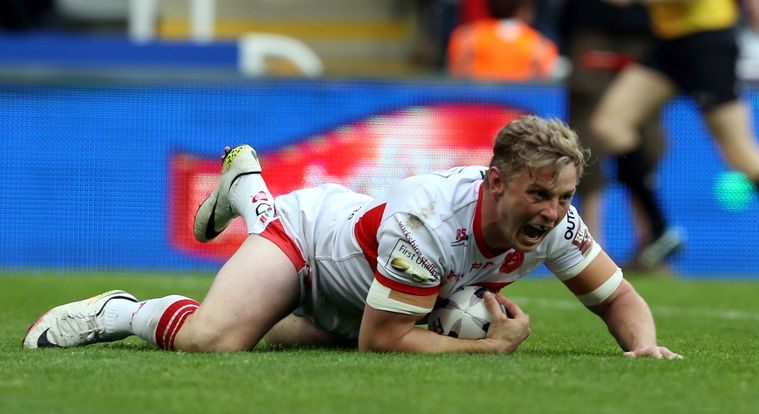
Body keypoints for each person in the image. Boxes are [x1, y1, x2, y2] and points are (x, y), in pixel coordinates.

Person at [22, 116, 682, 359]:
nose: (552, 212)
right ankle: (122, 311)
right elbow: (383, 340)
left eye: (563, 197)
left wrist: (644, 347)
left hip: (360, 290)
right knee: (217, 339)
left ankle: (247, 186)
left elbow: (617, 299)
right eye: (539, 194)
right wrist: (493, 348)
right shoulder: (433, 216)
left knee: (292, 336)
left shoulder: (555, 223)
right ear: (497, 180)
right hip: (310, 242)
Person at [591, 0, 759, 256]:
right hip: (669, 43)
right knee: (610, 125)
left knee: (742, 155)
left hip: (707, 41)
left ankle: (658, 231)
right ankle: (659, 231)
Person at [561, 0, 683, 271]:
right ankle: (590, 252)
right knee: (585, 151)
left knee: (645, 147)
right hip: (591, 35)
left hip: (645, 36)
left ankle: (651, 246)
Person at [446, 0, 559, 81]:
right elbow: (544, 84)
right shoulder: (541, 45)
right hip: (521, 109)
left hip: (474, 107)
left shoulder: (465, 38)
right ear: (524, 9)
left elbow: (456, 75)